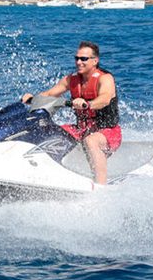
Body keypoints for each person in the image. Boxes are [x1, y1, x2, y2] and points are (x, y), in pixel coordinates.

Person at [23, 41, 120, 185]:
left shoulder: (105, 78)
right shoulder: (71, 79)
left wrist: (88, 104)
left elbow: (105, 98)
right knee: (50, 132)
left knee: (91, 141)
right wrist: (32, 99)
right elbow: (49, 94)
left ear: (95, 61)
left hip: (107, 132)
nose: (79, 62)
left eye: (83, 59)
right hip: (81, 130)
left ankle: (101, 186)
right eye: (77, 58)